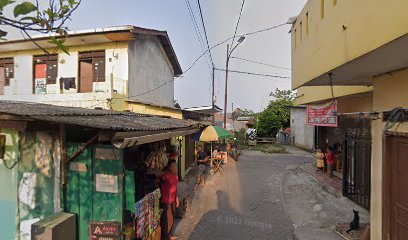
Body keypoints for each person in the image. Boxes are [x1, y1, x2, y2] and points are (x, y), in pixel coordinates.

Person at [160, 160, 179, 240]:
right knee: (167, 220)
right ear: (169, 167)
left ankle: (168, 234)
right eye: (173, 166)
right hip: (165, 200)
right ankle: (166, 237)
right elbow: (158, 181)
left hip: (172, 200)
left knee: (172, 217)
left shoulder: (175, 175)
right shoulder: (166, 175)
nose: (175, 167)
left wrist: (177, 198)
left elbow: (175, 187)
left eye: (175, 165)